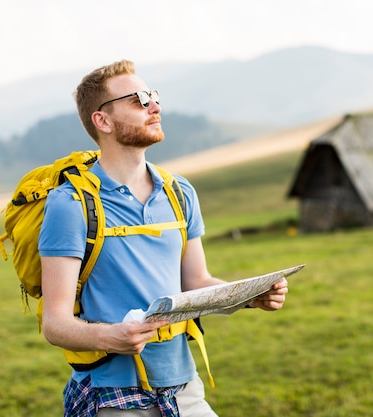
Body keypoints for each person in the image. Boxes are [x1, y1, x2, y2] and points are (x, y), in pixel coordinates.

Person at [38, 59, 289, 417]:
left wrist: (250, 296)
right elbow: (55, 323)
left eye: (153, 95)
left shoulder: (179, 192)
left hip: (184, 388)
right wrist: (110, 337)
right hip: (113, 396)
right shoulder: (71, 203)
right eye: (138, 99)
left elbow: (197, 282)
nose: (154, 106)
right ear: (103, 120)